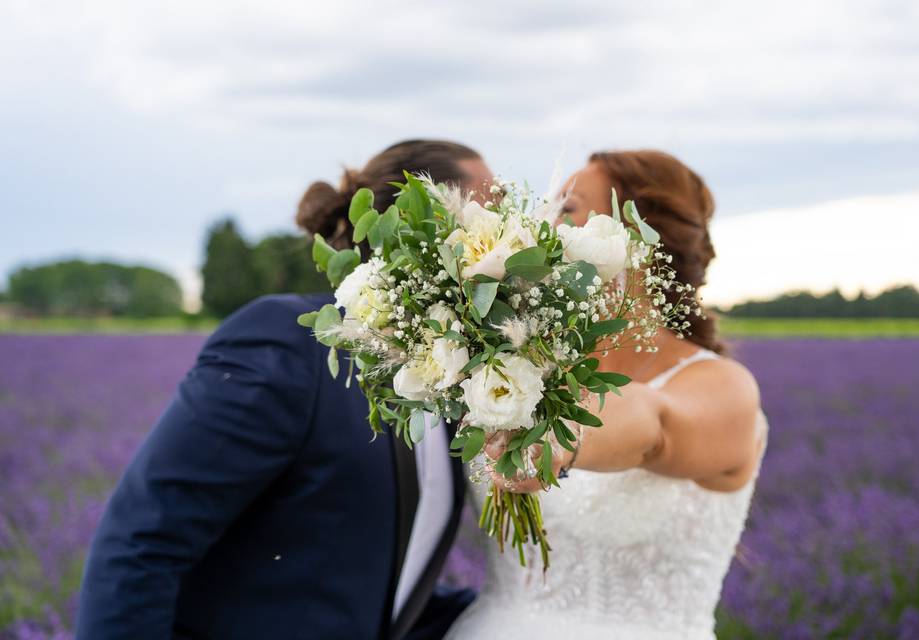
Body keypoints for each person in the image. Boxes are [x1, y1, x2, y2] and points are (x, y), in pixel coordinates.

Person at [76, 139, 494, 640]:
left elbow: (367, 580)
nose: (511, 238)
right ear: (421, 225)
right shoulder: (287, 345)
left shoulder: (450, 376)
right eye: (494, 213)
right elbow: (140, 547)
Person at [446, 150, 768, 640]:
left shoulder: (721, 386)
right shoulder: (519, 368)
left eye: (567, 208)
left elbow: (653, 422)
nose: (542, 223)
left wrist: (563, 435)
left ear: (635, 239)